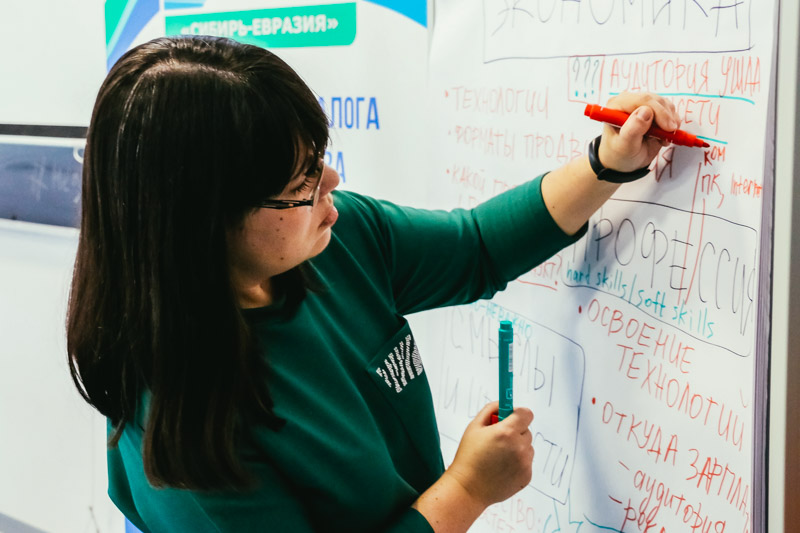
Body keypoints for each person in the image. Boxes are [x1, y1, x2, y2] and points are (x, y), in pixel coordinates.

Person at [66, 35, 679, 533]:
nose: (330, 183)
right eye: (300, 184)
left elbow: (477, 248)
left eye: (319, 158)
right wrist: (467, 490)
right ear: (203, 226)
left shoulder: (333, 237)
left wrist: (606, 163)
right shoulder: (183, 431)